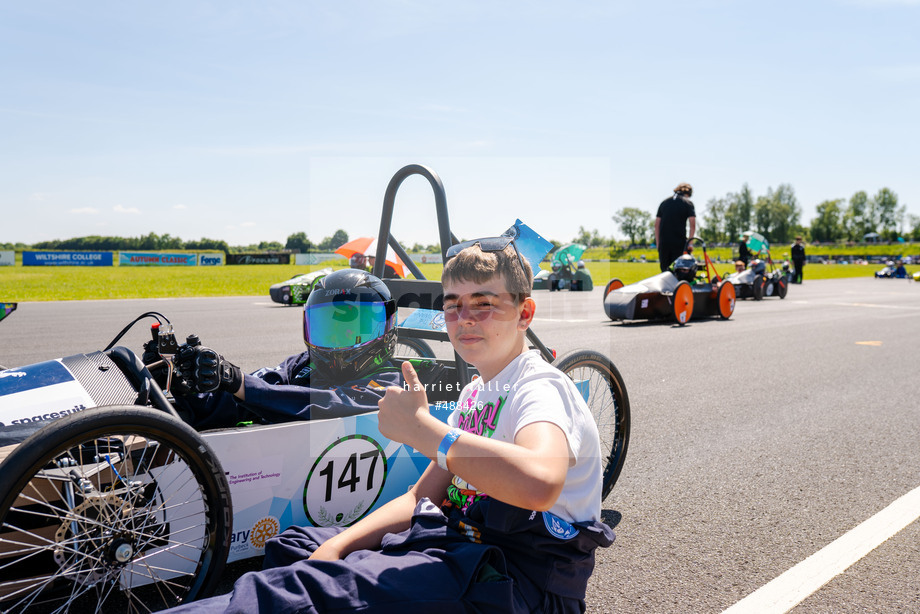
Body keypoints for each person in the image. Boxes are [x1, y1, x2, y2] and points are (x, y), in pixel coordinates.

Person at [164, 237, 613, 613]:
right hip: (465, 545)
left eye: (484, 304)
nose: (465, 319)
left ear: (525, 314)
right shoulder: (477, 392)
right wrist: (338, 546)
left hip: (520, 582)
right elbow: (421, 496)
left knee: (294, 593)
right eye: (454, 305)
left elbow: (538, 483)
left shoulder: (540, 388)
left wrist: (423, 430)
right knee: (298, 546)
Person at [165, 269, 433, 429]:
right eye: (329, 327)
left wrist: (240, 383)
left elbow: (331, 404)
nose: (339, 339)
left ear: (387, 328)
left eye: (352, 328)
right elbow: (252, 391)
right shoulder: (303, 365)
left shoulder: (393, 382)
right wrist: (186, 383)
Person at [655, 183, 696, 272]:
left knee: (664, 271)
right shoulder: (687, 203)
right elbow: (692, 224)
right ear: (689, 194)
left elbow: (657, 225)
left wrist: (658, 243)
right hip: (678, 242)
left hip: (663, 242)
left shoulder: (664, 202)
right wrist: (690, 243)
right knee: (678, 271)